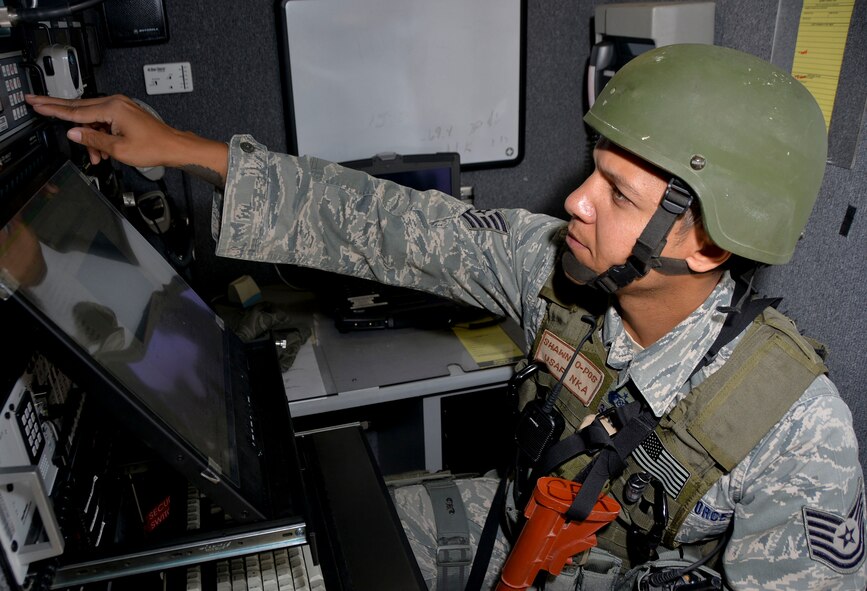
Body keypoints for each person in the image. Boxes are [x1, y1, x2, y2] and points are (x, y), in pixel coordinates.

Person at [25, 43, 866, 590]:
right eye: (592, 171)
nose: (573, 199)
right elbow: (386, 224)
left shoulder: (793, 428)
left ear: (706, 243)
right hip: (514, 525)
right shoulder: (555, 268)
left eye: (615, 193)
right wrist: (179, 147)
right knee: (274, 569)